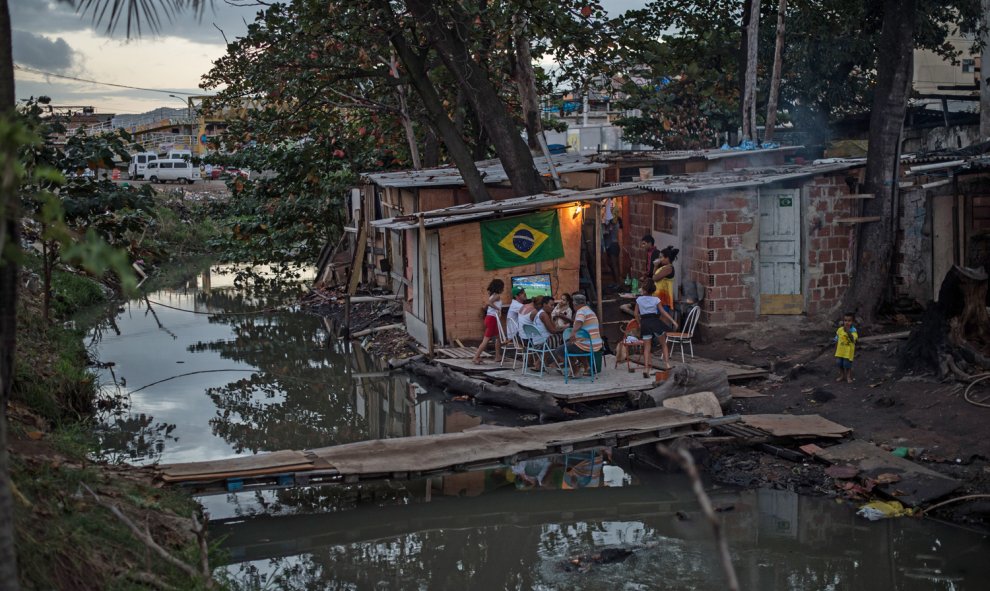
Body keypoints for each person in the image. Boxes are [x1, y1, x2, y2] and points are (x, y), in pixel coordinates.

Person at [634, 282, 678, 378]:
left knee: (647, 348)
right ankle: (667, 365)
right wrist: (673, 321)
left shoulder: (639, 300)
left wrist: (639, 323)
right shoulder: (656, 299)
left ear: (645, 290)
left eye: (642, 288)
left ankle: (646, 369)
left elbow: (636, 314)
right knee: (663, 344)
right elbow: (662, 312)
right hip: (655, 322)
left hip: (645, 322)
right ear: (653, 291)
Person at [553, 293, 602, 376]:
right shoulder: (589, 310)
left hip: (587, 345)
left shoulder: (581, 311)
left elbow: (579, 322)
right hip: (596, 343)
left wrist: (573, 334)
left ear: (574, 303)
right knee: (575, 344)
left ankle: (575, 368)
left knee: (559, 350)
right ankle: (587, 367)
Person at [472, 279, 504, 364]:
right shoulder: (497, 296)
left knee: (498, 338)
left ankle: (497, 356)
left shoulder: (492, 295)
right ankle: (475, 357)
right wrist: (498, 309)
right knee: (486, 340)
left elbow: (486, 306)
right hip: (492, 319)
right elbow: (489, 303)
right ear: (500, 287)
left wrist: (488, 308)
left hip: (490, 318)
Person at [653, 245, 679, 316]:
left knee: (661, 323)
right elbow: (654, 275)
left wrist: (655, 266)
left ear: (667, 258)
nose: (659, 259)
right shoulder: (664, 267)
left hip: (663, 300)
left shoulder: (668, 268)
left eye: (661, 257)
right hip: (659, 299)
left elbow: (655, 278)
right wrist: (655, 266)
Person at [834, 312, 858, 383]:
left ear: (852, 322)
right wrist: (835, 349)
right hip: (840, 351)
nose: (847, 322)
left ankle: (848, 376)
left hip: (848, 352)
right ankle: (842, 375)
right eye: (845, 320)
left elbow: (853, 339)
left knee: (847, 364)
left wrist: (848, 332)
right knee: (839, 363)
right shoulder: (840, 330)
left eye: (849, 321)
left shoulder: (853, 330)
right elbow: (836, 339)